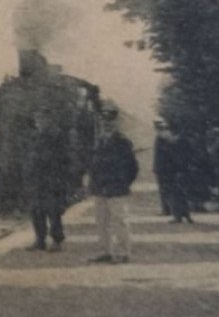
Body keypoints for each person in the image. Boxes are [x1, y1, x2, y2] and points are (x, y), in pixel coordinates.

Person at [88, 108, 140, 263]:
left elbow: (133, 167)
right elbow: (94, 165)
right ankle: (106, 252)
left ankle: (124, 253)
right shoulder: (99, 141)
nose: (107, 124)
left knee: (120, 221)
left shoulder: (123, 142)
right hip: (100, 189)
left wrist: (122, 182)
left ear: (116, 123)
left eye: (110, 121)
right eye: (104, 122)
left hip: (116, 188)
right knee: (102, 222)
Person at [22, 118, 77, 252]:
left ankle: (56, 240)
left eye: (42, 119)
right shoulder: (34, 136)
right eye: (37, 119)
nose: (39, 122)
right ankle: (40, 239)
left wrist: (62, 180)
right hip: (37, 181)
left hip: (52, 180)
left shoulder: (56, 136)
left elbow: (64, 159)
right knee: (36, 210)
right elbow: (29, 157)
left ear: (49, 121)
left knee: (53, 211)